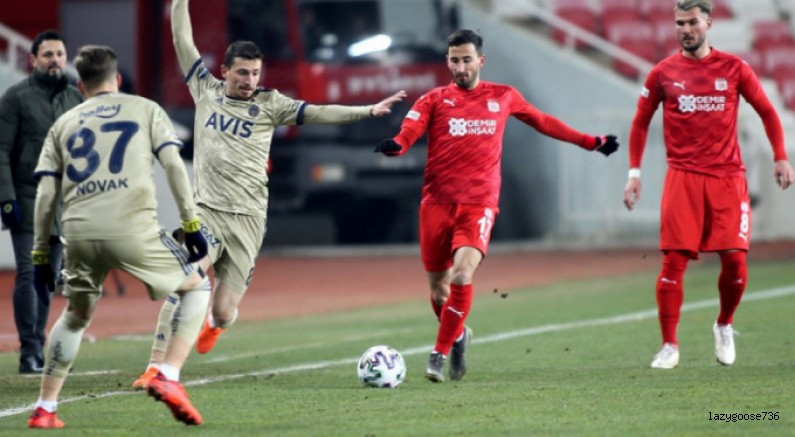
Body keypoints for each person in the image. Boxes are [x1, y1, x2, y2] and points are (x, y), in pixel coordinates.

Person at [131, 0, 407, 389]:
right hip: (207, 213)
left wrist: (366, 110)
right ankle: (156, 366)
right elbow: (182, 39)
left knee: (224, 311)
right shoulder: (205, 89)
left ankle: (215, 325)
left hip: (248, 221)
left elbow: (318, 112)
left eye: (255, 73)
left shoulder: (270, 104)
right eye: (242, 72)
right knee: (185, 278)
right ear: (225, 71)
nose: (249, 80)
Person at [374, 29, 620, 383]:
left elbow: (542, 121)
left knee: (462, 274)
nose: (460, 67)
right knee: (439, 292)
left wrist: (590, 142)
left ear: (481, 61)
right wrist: (396, 146)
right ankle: (458, 335)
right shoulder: (433, 100)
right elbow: (408, 133)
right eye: (454, 61)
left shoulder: (503, 96)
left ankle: (438, 355)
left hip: (479, 203)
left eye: (466, 60)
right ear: (447, 61)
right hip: (436, 203)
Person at [27, 45, 211, 428]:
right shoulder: (144, 109)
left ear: (80, 85)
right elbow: (173, 165)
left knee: (75, 315)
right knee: (197, 286)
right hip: (132, 226)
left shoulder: (63, 123)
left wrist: (41, 253)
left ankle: (45, 408)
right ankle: (168, 374)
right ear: (118, 79)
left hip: (78, 233)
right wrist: (190, 223)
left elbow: (45, 194)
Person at [622, 0, 795, 370]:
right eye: (680, 23)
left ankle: (724, 324)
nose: (685, 30)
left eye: (692, 22)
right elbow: (639, 122)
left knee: (735, 262)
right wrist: (634, 173)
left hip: (728, 178)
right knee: (673, 261)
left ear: (709, 24)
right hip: (682, 177)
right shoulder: (662, 73)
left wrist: (780, 156)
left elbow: (767, 111)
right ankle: (669, 345)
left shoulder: (734, 68)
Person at [0, 30, 83, 374]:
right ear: (33, 60)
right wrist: (6, 198)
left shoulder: (76, 98)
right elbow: (1, 150)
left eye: (60, 54)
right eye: (48, 55)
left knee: (48, 278)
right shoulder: (15, 97)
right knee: (28, 273)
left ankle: (39, 345)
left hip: (63, 203)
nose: (55, 60)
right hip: (27, 197)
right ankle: (30, 351)